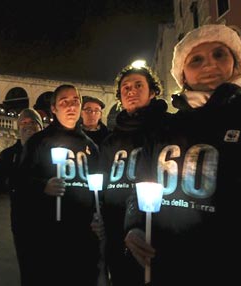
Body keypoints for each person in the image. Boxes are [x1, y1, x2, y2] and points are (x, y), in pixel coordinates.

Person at [124, 24, 241, 285]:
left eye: (219, 54)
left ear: (235, 63)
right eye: (196, 59)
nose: (209, 64)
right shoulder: (164, 128)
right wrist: (133, 225)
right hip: (164, 263)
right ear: (183, 74)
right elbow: (141, 182)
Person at [17, 84, 101, 286]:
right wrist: (42, 186)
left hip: (83, 235)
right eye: (64, 102)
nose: (71, 106)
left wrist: (100, 214)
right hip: (48, 236)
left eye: (75, 101)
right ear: (54, 108)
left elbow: (98, 185)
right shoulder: (38, 143)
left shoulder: (91, 146)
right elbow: (19, 182)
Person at [95, 63, 168, 286]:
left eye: (138, 85)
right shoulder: (110, 141)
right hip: (115, 232)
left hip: (151, 234)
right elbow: (103, 183)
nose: (131, 91)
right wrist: (97, 215)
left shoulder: (166, 130)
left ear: (153, 92)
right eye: (125, 87)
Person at [0, 108, 43, 286]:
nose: (27, 126)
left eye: (32, 123)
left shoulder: (51, 151)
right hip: (22, 221)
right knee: (27, 268)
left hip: (50, 220)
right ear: (17, 128)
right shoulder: (8, 155)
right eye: (23, 123)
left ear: (40, 127)